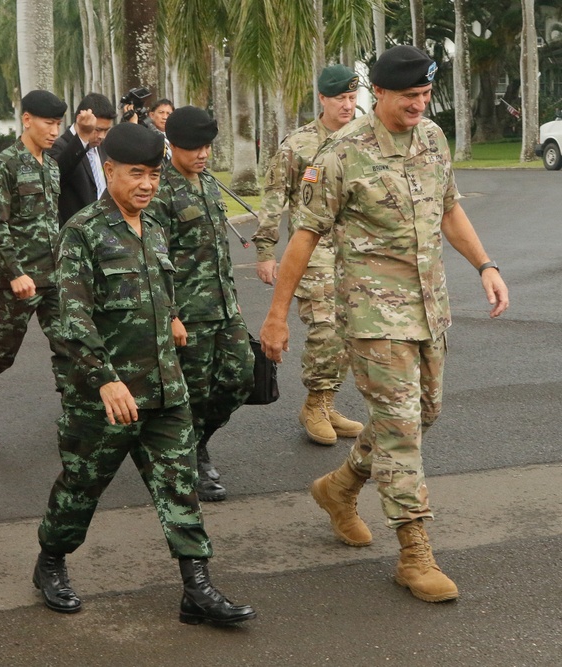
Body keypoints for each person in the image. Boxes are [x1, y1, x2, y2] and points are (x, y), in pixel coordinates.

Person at [260, 45, 509, 603]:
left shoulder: (433, 139)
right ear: (381, 94)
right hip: (372, 316)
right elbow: (304, 237)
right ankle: (414, 553)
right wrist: (276, 317)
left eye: (425, 96)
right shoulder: (342, 153)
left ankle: (339, 487)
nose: (419, 105)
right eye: (408, 98)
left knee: (422, 414)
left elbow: (448, 208)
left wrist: (486, 265)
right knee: (400, 431)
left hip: (429, 309)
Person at [33, 122, 255, 627]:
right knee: (82, 486)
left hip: (164, 387)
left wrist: (173, 318)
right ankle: (50, 561)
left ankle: (197, 588)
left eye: (154, 175)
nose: (148, 185)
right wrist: (105, 380)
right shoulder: (83, 233)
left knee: (179, 483)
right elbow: (72, 318)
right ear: (109, 170)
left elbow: (161, 292)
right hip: (104, 394)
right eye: (137, 174)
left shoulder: (153, 228)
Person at [252, 65, 364, 446]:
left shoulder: (365, 138)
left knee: (351, 330)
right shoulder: (297, 144)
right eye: (340, 99)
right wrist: (266, 250)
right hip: (312, 251)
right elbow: (273, 197)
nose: (348, 105)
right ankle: (315, 404)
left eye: (352, 98)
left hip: (354, 251)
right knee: (326, 329)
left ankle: (327, 401)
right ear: (322, 99)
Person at [151, 106, 254, 503]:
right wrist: (171, 315)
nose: (202, 154)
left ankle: (198, 440)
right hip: (188, 314)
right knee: (192, 390)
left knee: (240, 377)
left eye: (207, 146)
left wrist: (235, 301)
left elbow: (220, 253)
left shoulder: (209, 183)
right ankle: (190, 459)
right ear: (172, 145)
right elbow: (156, 259)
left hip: (223, 306)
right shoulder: (161, 190)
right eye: (194, 147)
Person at [0, 90, 68, 443]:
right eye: (48, 123)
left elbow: (54, 222)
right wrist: (16, 274)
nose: (54, 131)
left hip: (54, 278)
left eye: (58, 124)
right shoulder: (5, 164)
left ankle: (76, 410)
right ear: (27, 120)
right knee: (2, 354)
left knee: (69, 343)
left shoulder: (52, 166)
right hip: (19, 281)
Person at [48, 92, 115, 225]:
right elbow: (56, 176)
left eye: (106, 130)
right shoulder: (58, 147)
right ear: (81, 120)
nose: (102, 136)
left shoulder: (103, 148)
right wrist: (82, 138)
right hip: (75, 231)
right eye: (97, 130)